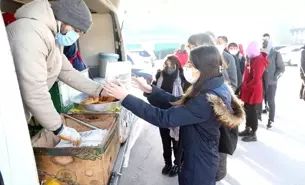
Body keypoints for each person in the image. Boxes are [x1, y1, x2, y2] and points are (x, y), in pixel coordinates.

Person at [104, 45, 245, 185]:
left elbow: (163, 118)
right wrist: (151, 90)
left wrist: (126, 97)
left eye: (191, 63)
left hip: (199, 162)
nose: (186, 66)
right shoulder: (215, 85)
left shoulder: (206, 99)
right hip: (201, 154)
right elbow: (182, 103)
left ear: (203, 67)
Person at [6, 0, 110, 144]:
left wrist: (100, 90)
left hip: (14, 110)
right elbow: (35, 89)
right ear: (65, 20)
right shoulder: (31, 33)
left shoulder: (51, 35)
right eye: (77, 31)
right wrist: (59, 128)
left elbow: (67, 71)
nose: (76, 36)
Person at [187, 33, 238, 181]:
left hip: (217, 117)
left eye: (194, 46)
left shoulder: (223, 60)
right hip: (200, 118)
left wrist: (218, 103)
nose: (191, 50)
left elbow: (233, 83)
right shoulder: (196, 64)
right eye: (190, 47)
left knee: (215, 163)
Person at [150, 55, 189, 177]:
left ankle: (177, 164)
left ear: (177, 65)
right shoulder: (159, 75)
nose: (169, 67)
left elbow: (187, 98)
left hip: (177, 115)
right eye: (167, 65)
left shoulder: (183, 78)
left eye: (172, 65)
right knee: (165, 141)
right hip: (162, 114)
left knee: (177, 141)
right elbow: (152, 92)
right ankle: (167, 164)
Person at [239, 41, 268, 142]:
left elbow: (256, 79)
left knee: (252, 111)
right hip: (248, 89)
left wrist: (246, 86)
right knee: (247, 109)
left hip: (253, 90)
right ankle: (247, 128)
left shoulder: (258, 60)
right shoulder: (252, 58)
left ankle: (253, 132)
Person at [261, 33, 285, 129]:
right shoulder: (259, 52)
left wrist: (275, 77)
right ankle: (259, 116)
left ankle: (271, 120)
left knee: (271, 100)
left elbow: (281, 68)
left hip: (271, 82)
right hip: (260, 82)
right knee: (261, 100)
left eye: (267, 39)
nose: (265, 41)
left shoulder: (275, 53)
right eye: (263, 40)